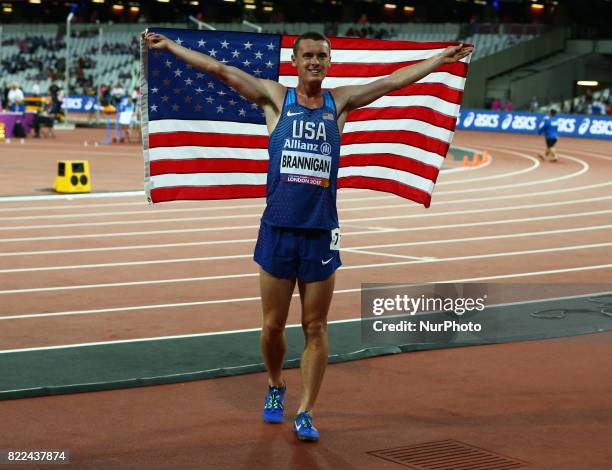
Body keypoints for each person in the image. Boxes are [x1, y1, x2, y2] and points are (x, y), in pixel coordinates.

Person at [143, 31, 472, 442]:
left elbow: (393, 81)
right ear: (295, 61)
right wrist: (171, 48)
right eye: (308, 55)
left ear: (329, 62)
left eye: (322, 56)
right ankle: (277, 383)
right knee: (272, 327)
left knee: (316, 326)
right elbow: (220, 69)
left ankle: (306, 411)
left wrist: (441, 58)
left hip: (320, 232)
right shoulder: (276, 99)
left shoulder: (341, 102)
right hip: (277, 230)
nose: (315, 61)